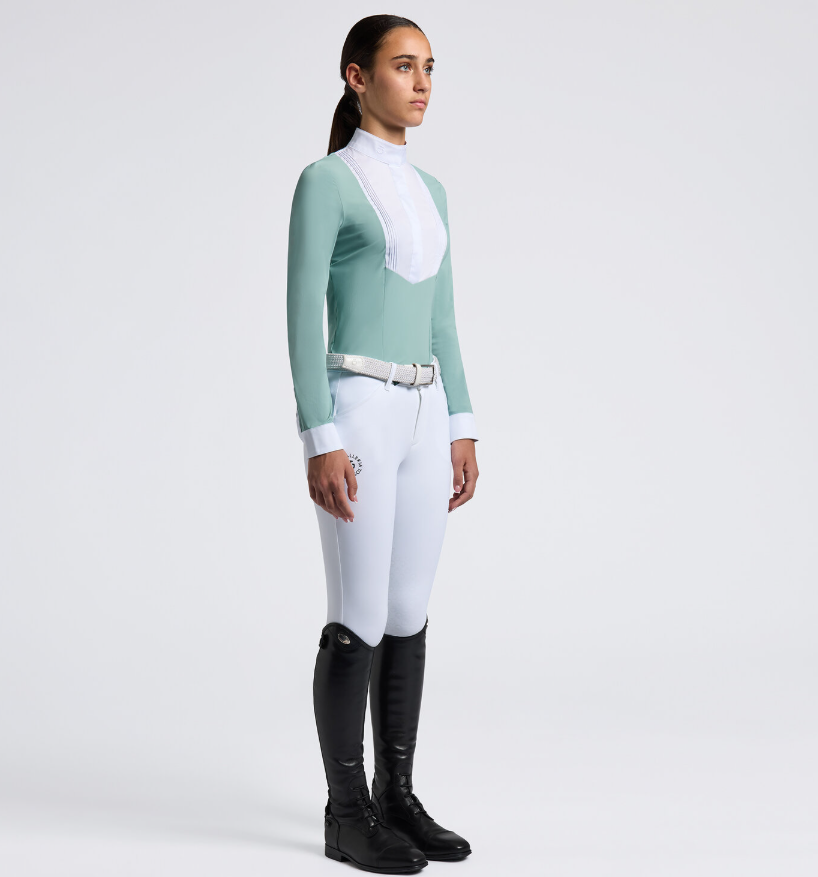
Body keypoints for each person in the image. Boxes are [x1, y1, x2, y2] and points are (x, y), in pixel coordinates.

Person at [286, 15, 480, 873]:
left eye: (428, 67)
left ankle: (396, 794)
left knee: (407, 611)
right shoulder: (326, 181)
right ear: (357, 77)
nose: (422, 82)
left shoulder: (432, 191)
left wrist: (462, 422)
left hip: (426, 410)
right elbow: (300, 316)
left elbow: (443, 318)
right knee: (357, 614)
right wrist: (318, 433)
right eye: (403, 66)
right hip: (359, 405)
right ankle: (346, 811)